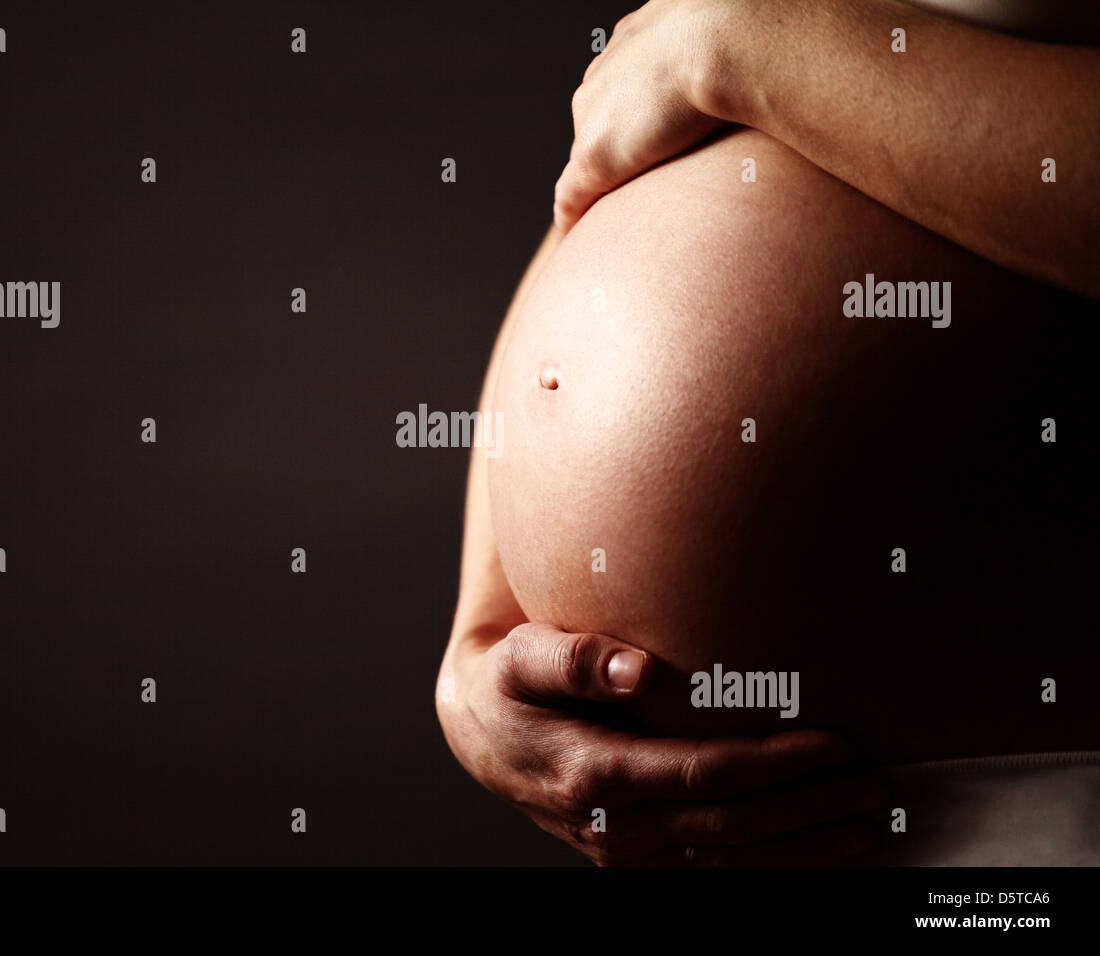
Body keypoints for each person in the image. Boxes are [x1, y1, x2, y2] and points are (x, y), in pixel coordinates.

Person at [436, 0, 1100, 866]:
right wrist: (478, 639)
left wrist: (748, 45)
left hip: (1021, 800)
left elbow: (706, 53)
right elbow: (625, 139)